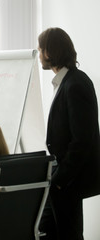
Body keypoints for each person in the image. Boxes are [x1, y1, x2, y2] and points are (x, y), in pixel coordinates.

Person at [38, 27, 100, 240]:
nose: (39, 56)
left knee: (68, 234)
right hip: (60, 174)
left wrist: (60, 179)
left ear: (49, 52)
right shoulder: (65, 82)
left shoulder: (75, 84)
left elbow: (82, 139)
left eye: (40, 50)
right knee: (48, 230)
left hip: (68, 178)